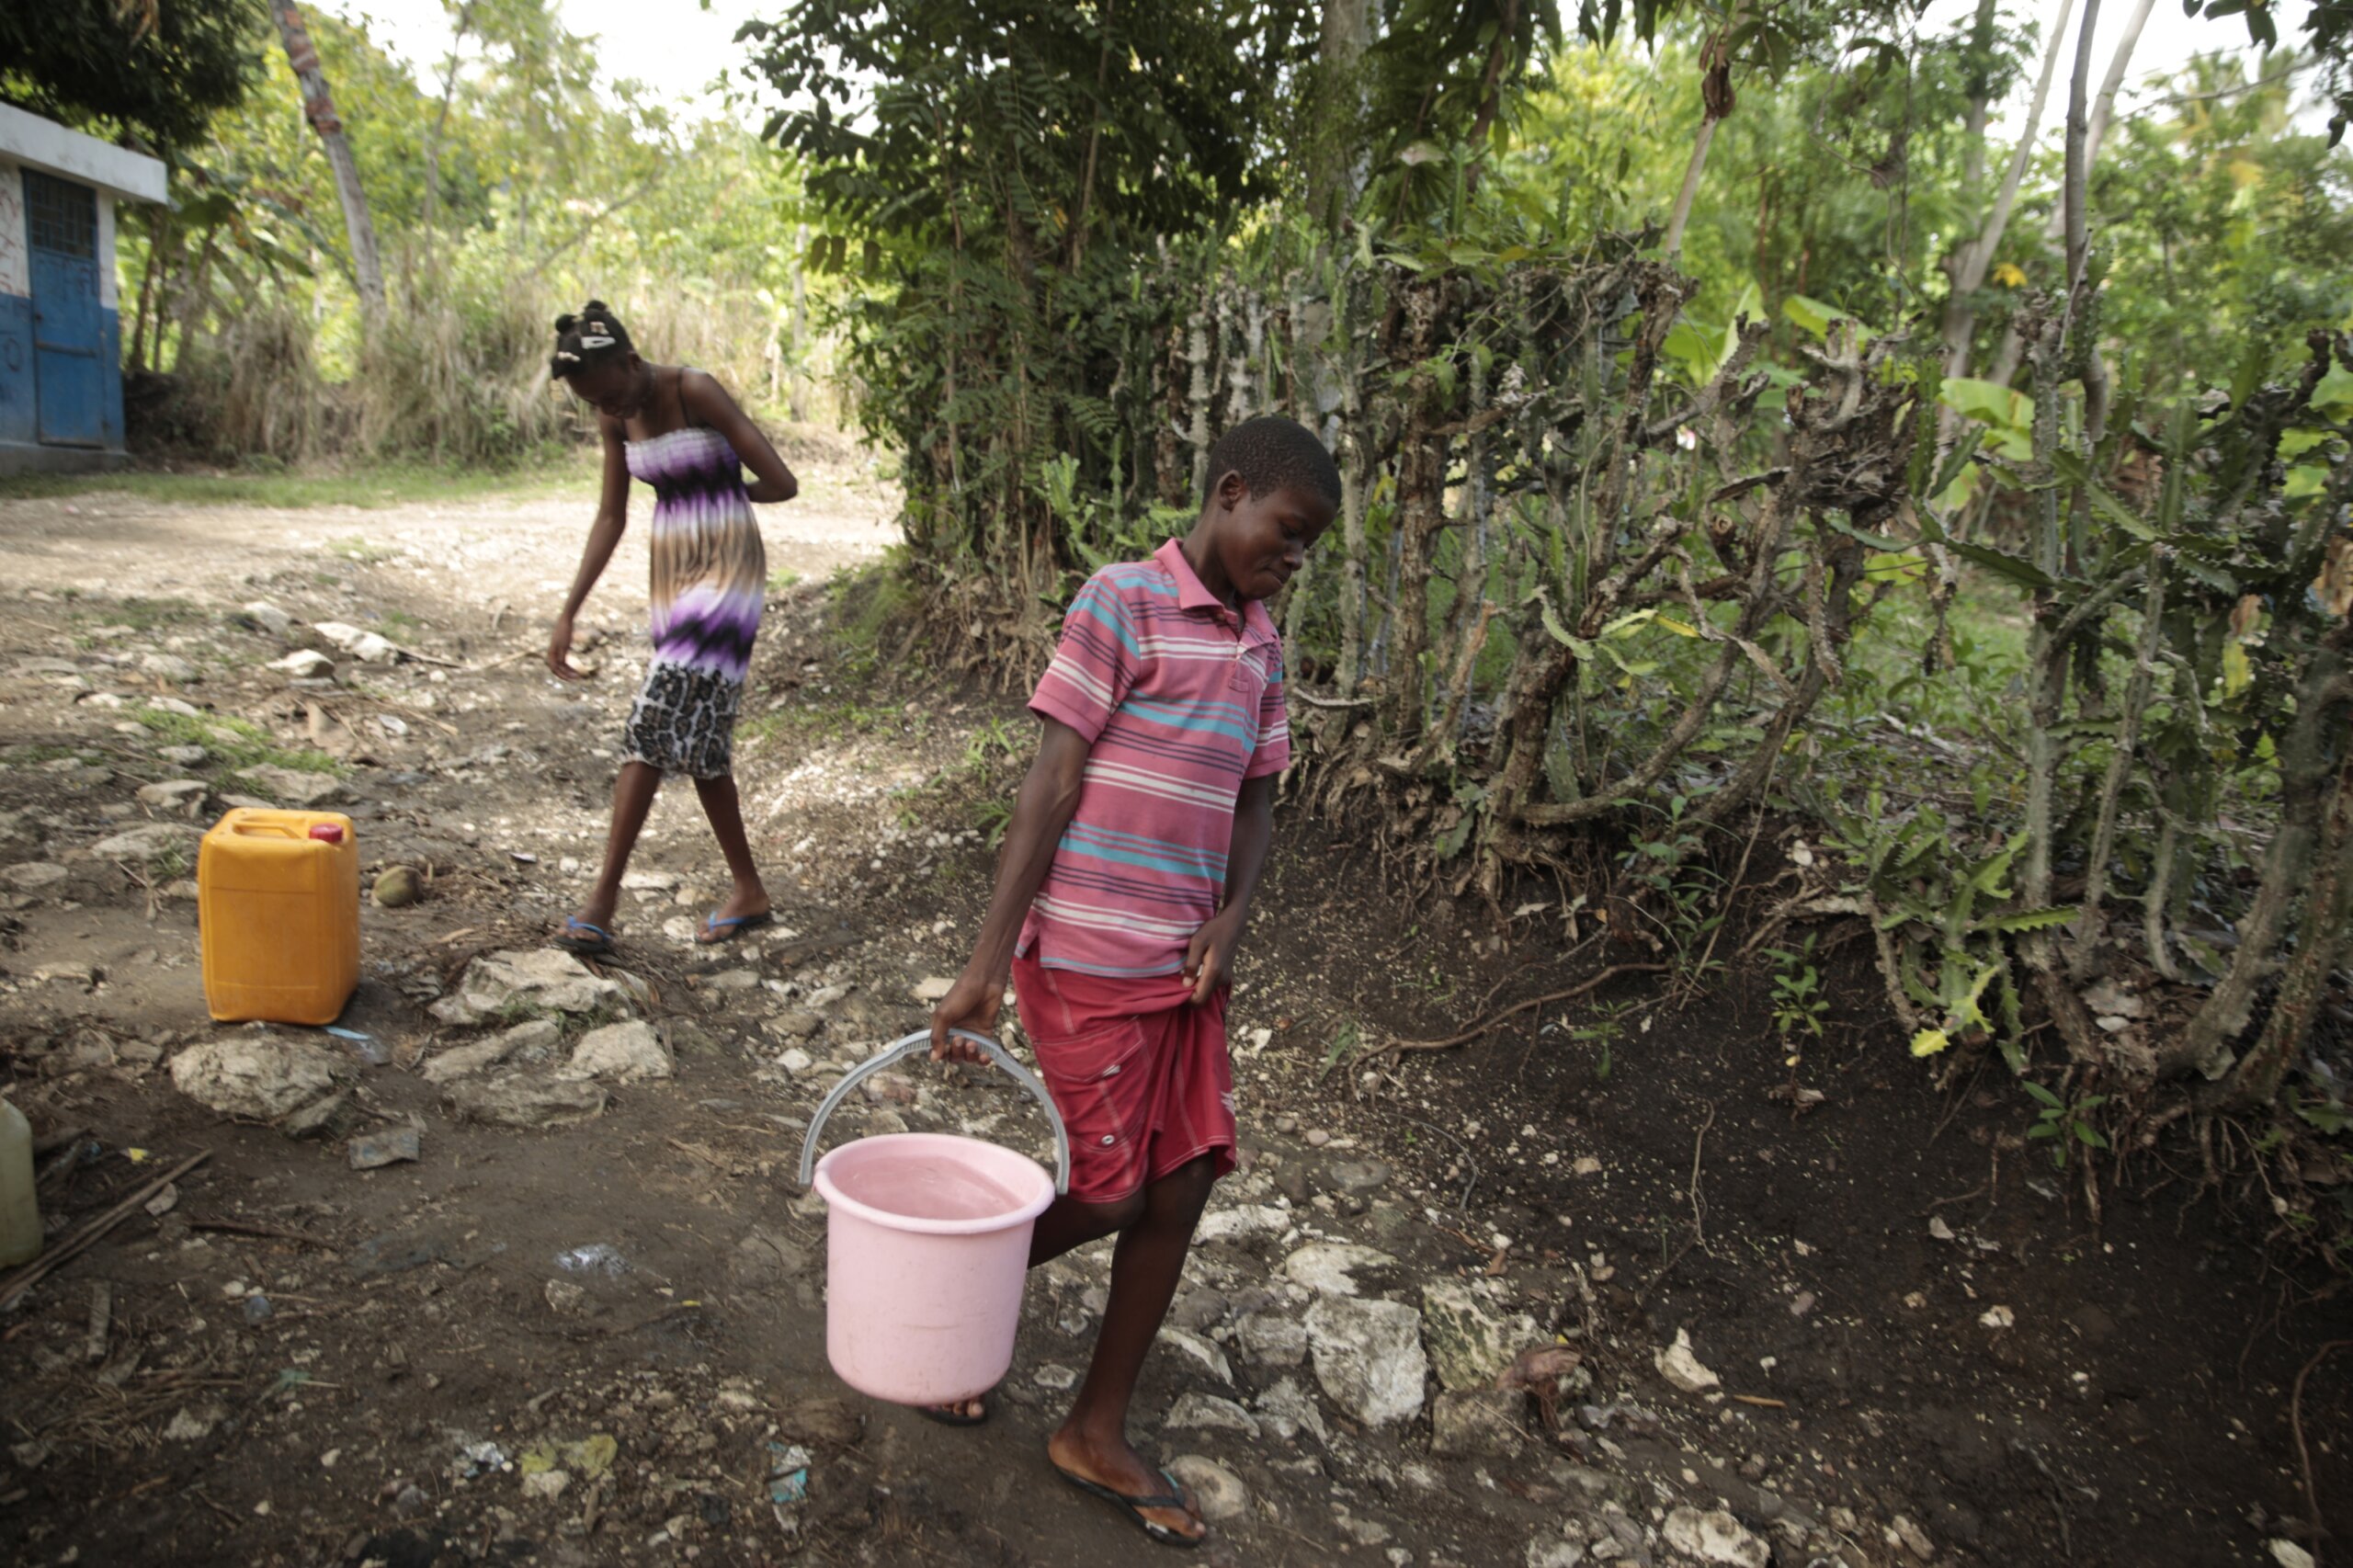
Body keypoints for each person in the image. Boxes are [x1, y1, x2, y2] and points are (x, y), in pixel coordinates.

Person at [926, 415, 1339, 1548]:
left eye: (1308, 550)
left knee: (1184, 1179)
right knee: (1106, 1188)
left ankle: (1093, 1427)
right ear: (1229, 490)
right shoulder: (1119, 600)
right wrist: (981, 967)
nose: (1291, 561)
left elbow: (1255, 798)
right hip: (1088, 954)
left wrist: (1234, 915)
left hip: (1184, 966)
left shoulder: (1261, 647)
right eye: (1286, 533)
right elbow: (1051, 782)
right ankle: (933, 1302)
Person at [541, 301, 799, 954]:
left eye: (612, 392)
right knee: (699, 733)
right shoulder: (613, 416)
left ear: (632, 361)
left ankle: (601, 901)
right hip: (674, 577)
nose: (611, 409)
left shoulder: (694, 389)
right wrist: (569, 610)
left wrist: (718, 493)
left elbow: (781, 481)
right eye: (596, 402)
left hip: (729, 573)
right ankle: (749, 889)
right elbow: (610, 517)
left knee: (652, 719)